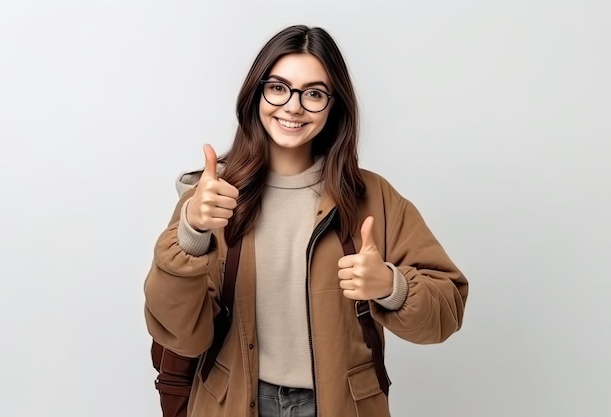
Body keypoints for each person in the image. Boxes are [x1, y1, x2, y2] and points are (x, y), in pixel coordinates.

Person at [144, 24, 468, 417]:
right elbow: (178, 333)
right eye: (279, 87)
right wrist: (193, 233)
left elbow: (447, 311)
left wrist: (390, 286)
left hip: (338, 405)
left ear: (335, 105)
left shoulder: (373, 197)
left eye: (313, 93)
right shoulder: (212, 198)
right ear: (256, 93)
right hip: (233, 403)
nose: (293, 106)